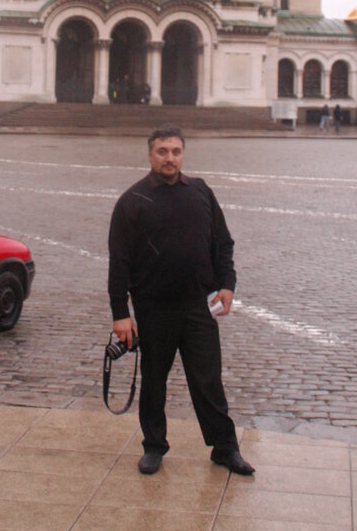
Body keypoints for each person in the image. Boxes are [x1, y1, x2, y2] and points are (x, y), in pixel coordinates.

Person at [108, 125, 254, 477]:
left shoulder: (201, 192)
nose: (170, 158)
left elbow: (223, 243)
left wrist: (227, 284)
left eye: (175, 151)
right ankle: (154, 446)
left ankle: (225, 447)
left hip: (198, 306)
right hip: (154, 308)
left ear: (183, 154)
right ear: (150, 155)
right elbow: (119, 262)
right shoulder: (132, 201)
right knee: (154, 380)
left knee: (208, 381)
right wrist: (120, 313)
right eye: (163, 151)